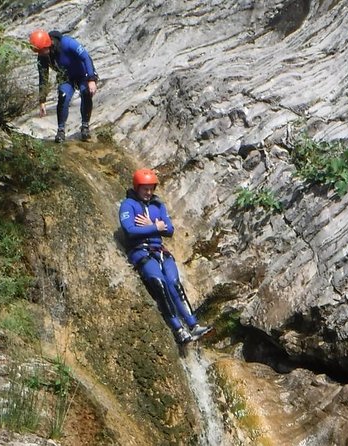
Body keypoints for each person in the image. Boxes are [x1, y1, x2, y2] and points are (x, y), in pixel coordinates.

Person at [119, 168, 212, 344]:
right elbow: (130, 231)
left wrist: (151, 225)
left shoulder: (158, 205)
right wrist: (155, 227)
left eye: (151, 188)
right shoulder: (127, 205)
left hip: (160, 251)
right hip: (140, 252)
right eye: (145, 188)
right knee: (159, 284)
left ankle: (193, 325)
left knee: (174, 283)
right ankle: (177, 328)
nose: (148, 192)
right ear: (137, 187)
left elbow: (169, 230)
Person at [29, 29, 99, 143]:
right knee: (63, 97)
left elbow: (86, 57)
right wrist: (42, 100)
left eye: (42, 50)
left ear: (48, 44)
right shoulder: (43, 57)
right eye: (38, 52)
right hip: (66, 77)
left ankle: (85, 126)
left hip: (83, 73)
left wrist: (91, 79)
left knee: (85, 92)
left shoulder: (67, 43)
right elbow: (43, 77)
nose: (41, 54)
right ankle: (61, 130)